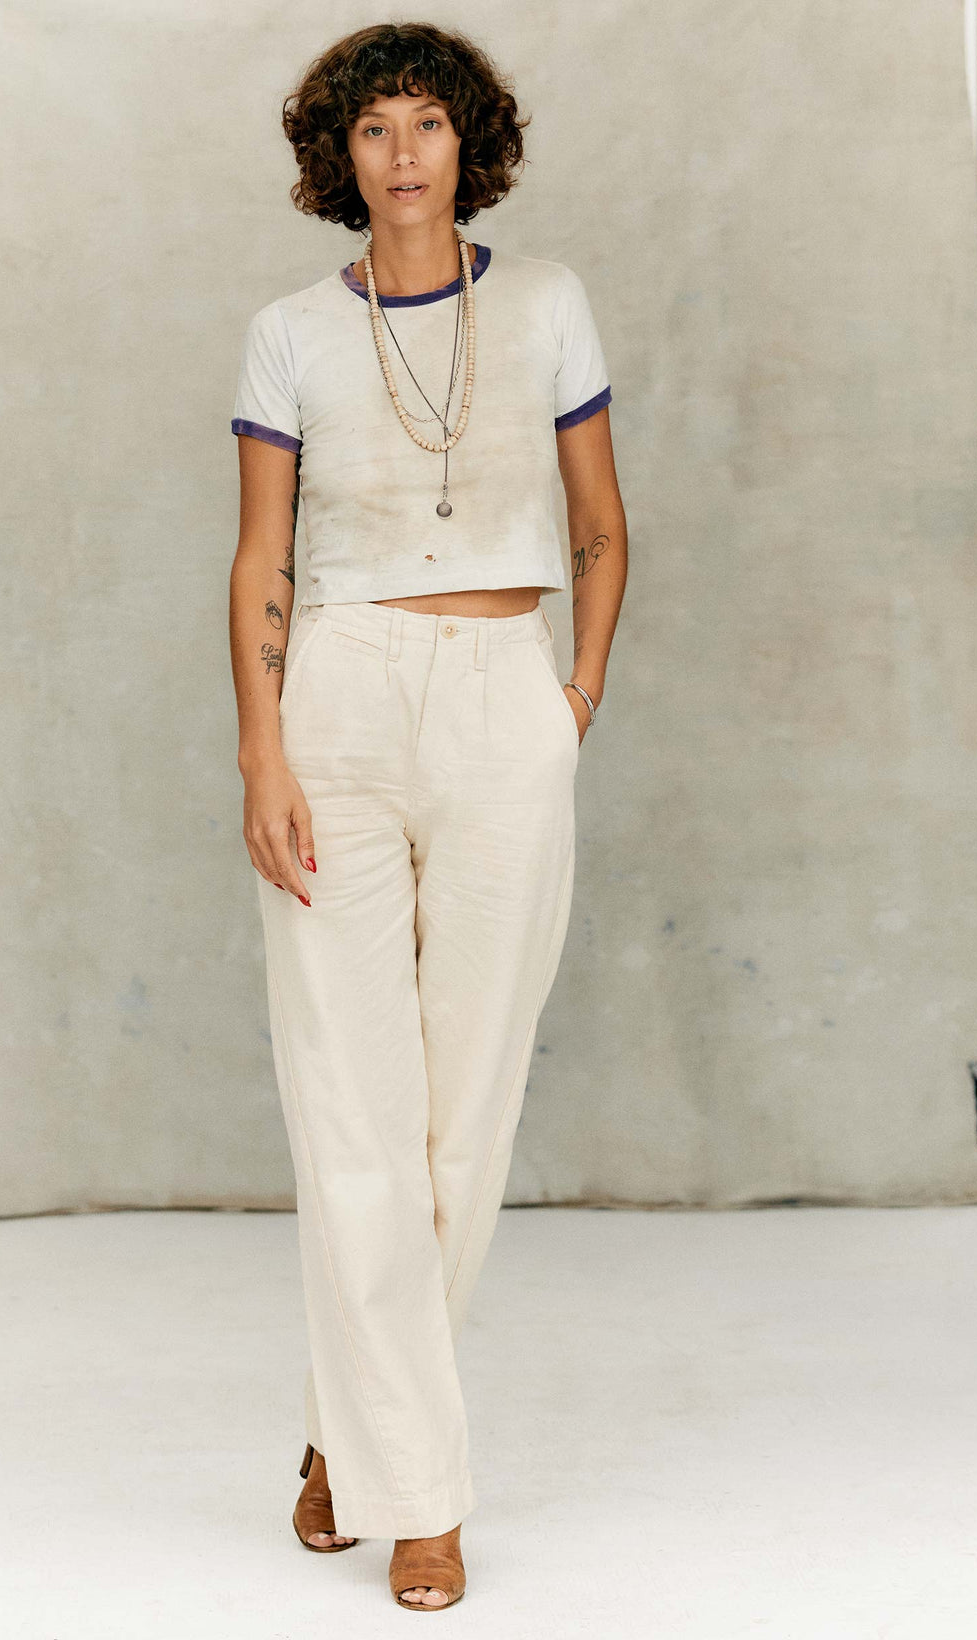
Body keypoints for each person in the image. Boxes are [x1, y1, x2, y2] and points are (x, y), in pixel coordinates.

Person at [229, 20, 627, 1612]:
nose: (404, 154)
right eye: (375, 129)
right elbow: (262, 558)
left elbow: (601, 526)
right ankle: (425, 1502)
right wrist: (263, 755)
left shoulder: (546, 302)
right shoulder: (288, 335)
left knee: (464, 1113)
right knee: (355, 1114)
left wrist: (570, 699)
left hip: (502, 692)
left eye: (429, 125)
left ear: (472, 144)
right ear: (341, 157)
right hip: (337, 699)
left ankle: (354, 1434)